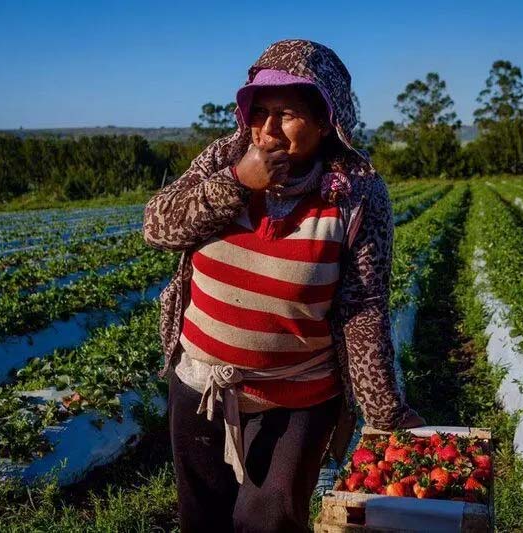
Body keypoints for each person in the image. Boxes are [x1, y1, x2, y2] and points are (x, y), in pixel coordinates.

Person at [142, 39, 425, 533]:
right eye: (261, 112)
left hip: (299, 393)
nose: (268, 130)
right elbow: (158, 227)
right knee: (202, 518)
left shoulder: (356, 193)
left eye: (288, 114)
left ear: (326, 121)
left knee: (268, 521)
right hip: (203, 383)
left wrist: (383, 409)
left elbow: (362, 306)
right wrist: (236, 182)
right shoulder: (223, 160)